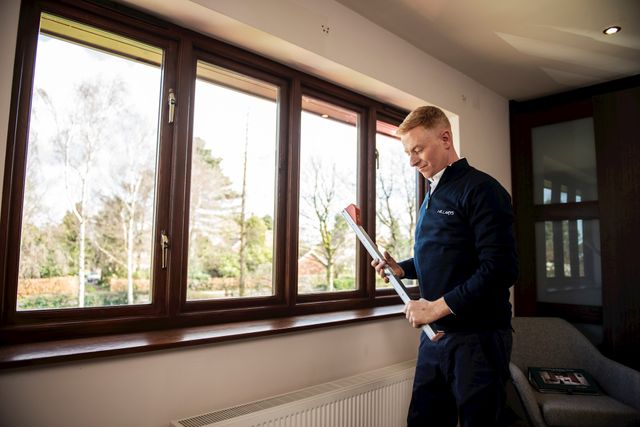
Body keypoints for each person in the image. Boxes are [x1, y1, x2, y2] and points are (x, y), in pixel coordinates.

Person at [372, 106, 518, 427]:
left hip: (478, 339)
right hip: (434, 336)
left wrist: (436, 308)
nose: (412, 161)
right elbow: (443, 255)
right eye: (408, 152)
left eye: (418, 149)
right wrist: (403, 270)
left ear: (446, 138)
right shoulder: (432, 194)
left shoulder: (482, 190)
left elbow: (501, 269)